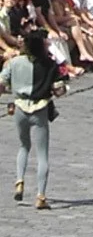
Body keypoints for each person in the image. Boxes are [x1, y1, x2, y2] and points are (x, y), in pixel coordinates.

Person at [0, 29, 63, 209]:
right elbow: (58, 90)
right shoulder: (50, 64)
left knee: (23, 146)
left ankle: (19, 181)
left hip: (20, 107)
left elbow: (1, 84)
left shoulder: (14, 62)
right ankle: (41, 196)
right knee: (42, 154)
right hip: (40, 109)